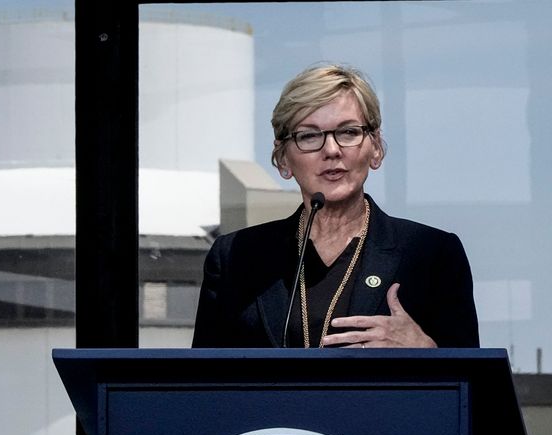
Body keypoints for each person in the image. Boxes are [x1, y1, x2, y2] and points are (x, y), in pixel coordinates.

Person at [193, 64, 479, 349]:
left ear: (376, 148)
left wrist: (424, 350)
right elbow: (200, 386)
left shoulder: (433, 255)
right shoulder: (236, 258)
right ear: (282, 160)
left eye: (349, 132)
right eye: (309, 136)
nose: (331, 150)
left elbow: (476, 386)